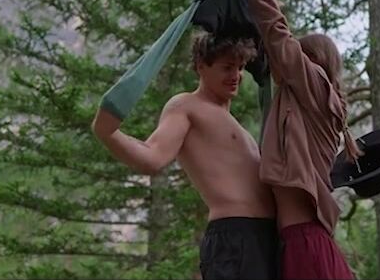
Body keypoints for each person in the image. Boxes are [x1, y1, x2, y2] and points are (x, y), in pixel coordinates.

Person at [91, 33, 278, 280]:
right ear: (201, 66)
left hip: (266, 238)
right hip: (234, 238)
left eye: (240, 67)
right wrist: (108, 133)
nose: (236, 75)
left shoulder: (233, 124)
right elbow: (153, 157)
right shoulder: (186, 105)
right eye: (227, 67)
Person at [241, 0, 363, 280]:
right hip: (302, 244)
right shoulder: (311, 103)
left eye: (297, 57)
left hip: (306, 246)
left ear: (313, 63)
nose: (283, 66)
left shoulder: (316, 86)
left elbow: (278, 34)